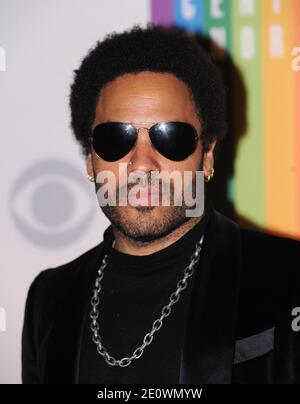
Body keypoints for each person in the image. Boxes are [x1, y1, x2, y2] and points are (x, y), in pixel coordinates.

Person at [22, 24, 300, 384]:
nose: (142, 164)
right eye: (114, 138)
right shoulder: (50, 298)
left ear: (208, 156)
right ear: (90, 160)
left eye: (171, 137)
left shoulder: (288, 276)